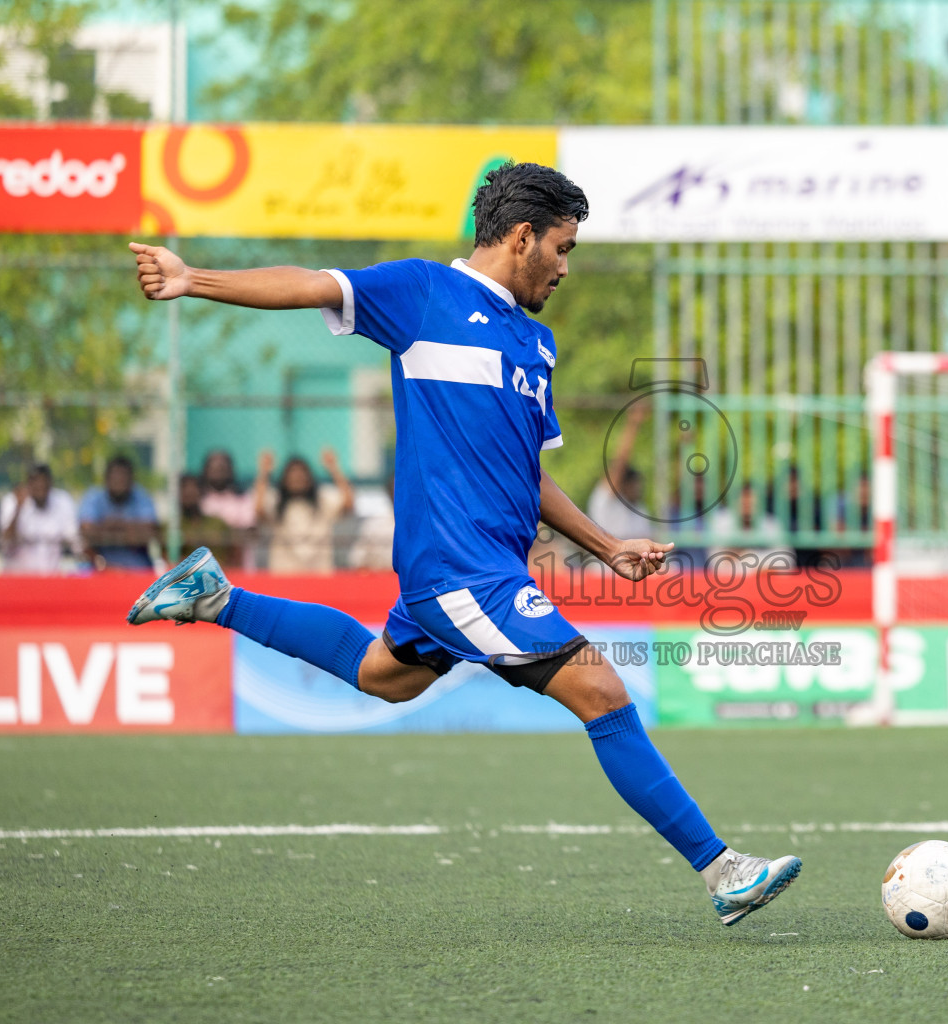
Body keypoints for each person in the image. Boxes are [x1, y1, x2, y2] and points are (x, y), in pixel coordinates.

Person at [122, 161, 799, 927]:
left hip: (485, 571)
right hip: (462, 573)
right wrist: (192, 278)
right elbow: (311, 283)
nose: (567, 267)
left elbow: (528, 475)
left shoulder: (534, 344)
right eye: (564, 247)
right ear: (521, 236)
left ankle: (216, 597)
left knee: (385, 675)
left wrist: (606, 545)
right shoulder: (422, 295)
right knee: (603, 692)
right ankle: (721, 869)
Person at [254, 448, 354, 574]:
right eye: (293, 474)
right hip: (284, 576)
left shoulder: (323, 500)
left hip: (319, 575)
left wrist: (334, 468)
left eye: (302, 473)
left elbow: (348, 503)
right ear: (285, 479)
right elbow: (258, 509)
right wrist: (264, 472)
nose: (297, 477)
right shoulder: (276, 501)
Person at [587, 400, 654, 544]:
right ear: (623, 485)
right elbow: (620, 462)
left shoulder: (641, 510)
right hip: (606, 565)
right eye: (632, 485)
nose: (637, 489)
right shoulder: (606, 502)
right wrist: (633, 424)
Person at [78, 455, 159, 570]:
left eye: (123, 477)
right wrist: (130, 530)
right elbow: (86, 530)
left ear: (131, 480)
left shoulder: (142, 497)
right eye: (115, 477)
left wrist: (108, 526)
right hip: (99, 566)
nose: (119, 482)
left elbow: (149, 531)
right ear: (106, 479)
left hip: (136, 566)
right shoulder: (93, 496)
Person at [0, 464, 80, 574]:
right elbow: (5, 545)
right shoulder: (12, 501)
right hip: (18, 580)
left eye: (43, 481)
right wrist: (18, 509)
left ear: (50, 483)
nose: (40, 485)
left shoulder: (62, 501)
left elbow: (75, 542)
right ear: (28, 483)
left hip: (51, 579)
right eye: (35, 481)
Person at [178, 473, 236, 564]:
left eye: (193, 488)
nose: (189, 491)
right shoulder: (172, 527)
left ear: (201, 492)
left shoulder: (217, 524)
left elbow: (233, 556)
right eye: (184, 487)